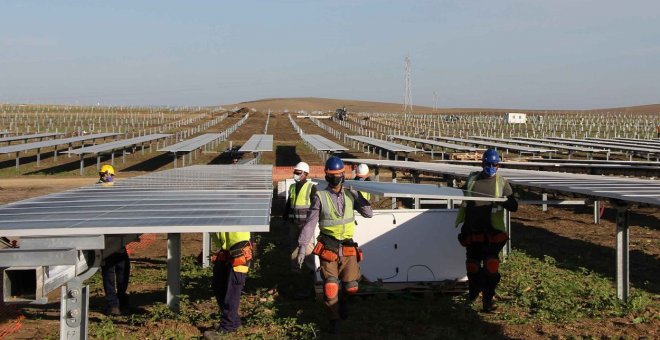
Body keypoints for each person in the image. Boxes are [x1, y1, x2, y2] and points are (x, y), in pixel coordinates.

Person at [297, 156, 373, 333]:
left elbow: (368, 213)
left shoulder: (351, 194)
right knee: (331, 286)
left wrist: (358, 197)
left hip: (347, 248)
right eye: (332, 175)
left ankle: (345, 303)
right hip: (328, 247)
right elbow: (310, 223)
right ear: (326, 176)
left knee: (351, 287)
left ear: (343, 175)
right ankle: (334, 321)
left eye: (338, 174)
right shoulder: (320, 197)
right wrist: (302, 246)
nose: (335, 178)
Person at [455, 149, 518, 312]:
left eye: (494, 164)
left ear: (498, 165)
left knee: (491, 265)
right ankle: (473, 293)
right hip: (472, 230)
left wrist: (504, 201)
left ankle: (488, 301)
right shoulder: (472, 179)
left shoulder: (502, 183)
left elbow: (514, 205)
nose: (491, 167)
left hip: (492, 232)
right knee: (473, 266)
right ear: (482, 163)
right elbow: (461, 195)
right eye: (488, 164)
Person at [204, 231, 253, 338]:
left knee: (233, 290)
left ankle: (228, 326)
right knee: (218, 285)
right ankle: (233, 321)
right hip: (225, 246)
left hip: (240, 244)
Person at [283, 162, 317, 298]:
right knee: (294, 249)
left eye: (298, 172)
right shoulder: (292, 187)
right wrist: (284, 218)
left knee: (307, 249)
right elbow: (288, 205)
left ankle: (313, 273)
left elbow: (315, 207)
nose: (295, 174)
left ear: (305, 174)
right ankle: (296, 274)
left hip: (305, 225)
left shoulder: (311, 188)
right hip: (293, 224)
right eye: (295, 172)